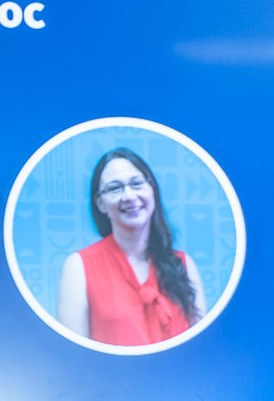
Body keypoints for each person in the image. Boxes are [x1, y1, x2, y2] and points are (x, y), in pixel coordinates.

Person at [57, 148, 202, 348]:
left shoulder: (184, 265)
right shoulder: (79, 267)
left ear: (152, 189)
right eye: (114, 188)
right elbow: (71, 355)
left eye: (136, 184)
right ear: (100, 203)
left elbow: (203, 349)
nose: (129, 196)